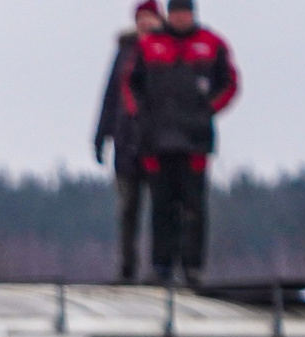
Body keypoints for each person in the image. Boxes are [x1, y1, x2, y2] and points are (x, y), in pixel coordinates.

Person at [129, 0, 239, 286]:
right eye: (175, 12)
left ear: (193, 14)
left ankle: (193, 267)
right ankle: (161, 266)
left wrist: (208, 110)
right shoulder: (150, 45)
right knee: (160, 207)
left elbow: (230, 83)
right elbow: (130, 84)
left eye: (185, 12)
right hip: (157, 142)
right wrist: (143, 116)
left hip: (195, 142)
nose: (180, 18)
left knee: (194, 207)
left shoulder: (212, 44)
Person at [96, 3, 164, 282]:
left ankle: (160, 269)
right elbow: (110, 96)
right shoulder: (124, 52)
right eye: (141, 19)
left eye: (150, 18)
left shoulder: (167, 50)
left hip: (160, 144)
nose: (145, 23)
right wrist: (101, 136)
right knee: (127, 211)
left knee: (161, 210)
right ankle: (127, 268)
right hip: (125, 143)